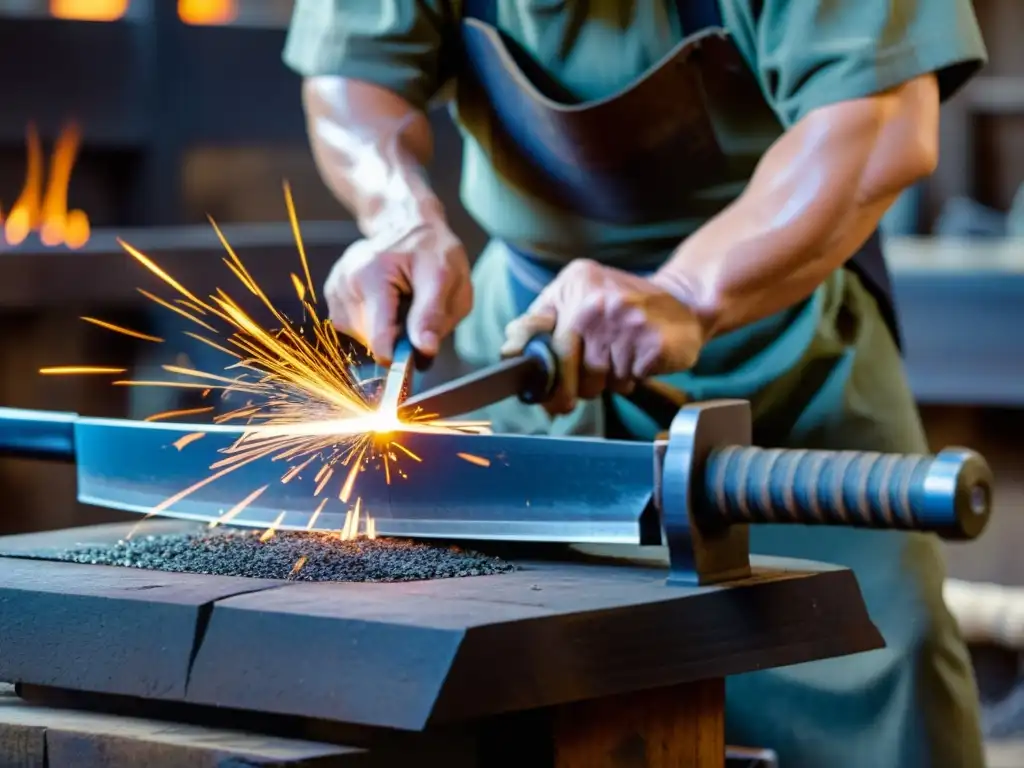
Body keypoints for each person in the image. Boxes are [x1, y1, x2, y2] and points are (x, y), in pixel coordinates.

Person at [283, 2, 989, 765]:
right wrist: (397, 214)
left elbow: (880, 123)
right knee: (522, 699)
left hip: (782, 365)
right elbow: (351, 75)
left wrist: (687, 292)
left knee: (884, 675)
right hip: (527, 364)